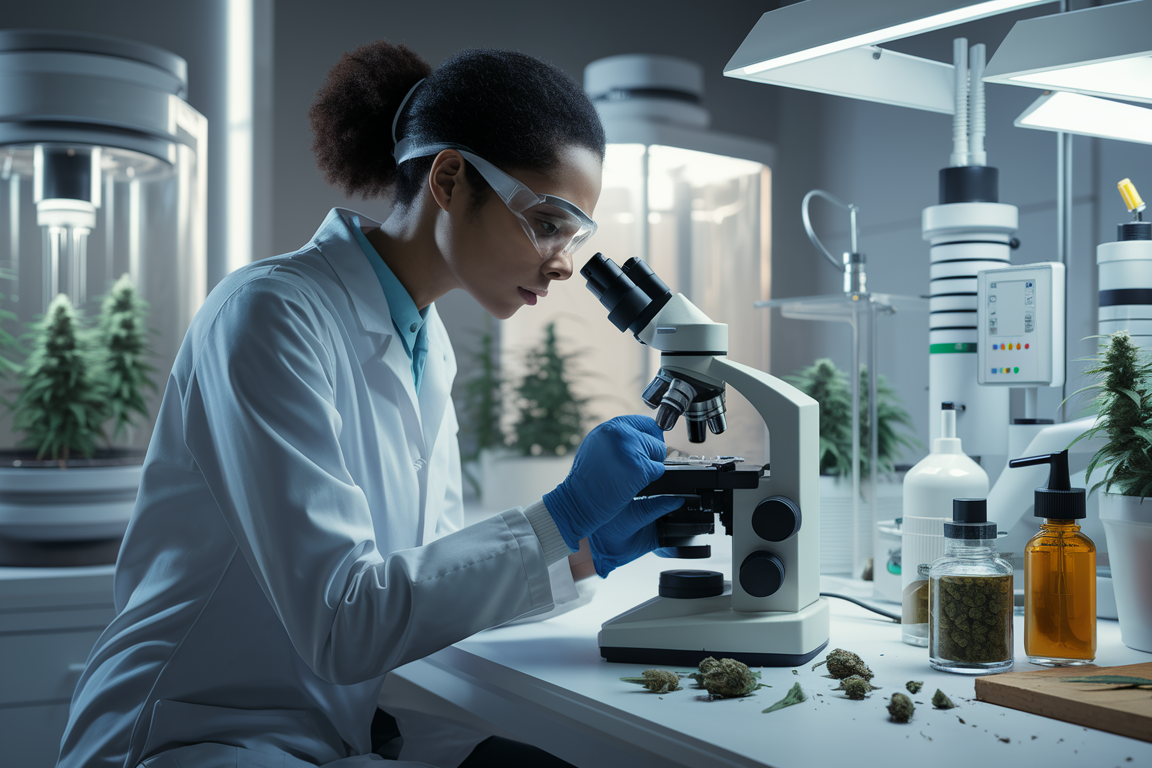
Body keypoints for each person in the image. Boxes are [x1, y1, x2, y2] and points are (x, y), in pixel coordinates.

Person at [56, 42, 683, 768]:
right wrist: (561, 515)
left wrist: (581, 552)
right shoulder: (269, 315)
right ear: (450, 178)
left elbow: (420, 584)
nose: (565, 262)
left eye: (574, 235)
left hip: (326, 725)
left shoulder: (426, 345)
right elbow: (344, 619)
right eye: (547, 222)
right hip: (194, 732)